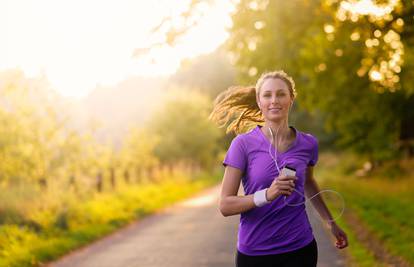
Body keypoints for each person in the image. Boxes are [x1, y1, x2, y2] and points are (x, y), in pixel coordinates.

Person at [209, 70, 348, 267]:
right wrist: (268, 194)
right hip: (256, 252)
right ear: (259, 101)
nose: (274, 100)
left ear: (291, 99)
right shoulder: (242, 144)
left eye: (281, 94)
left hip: (300, 248)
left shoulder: (308, 144)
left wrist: (331, 223)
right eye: (267, 95)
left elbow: (308, 182)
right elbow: (225, 205)